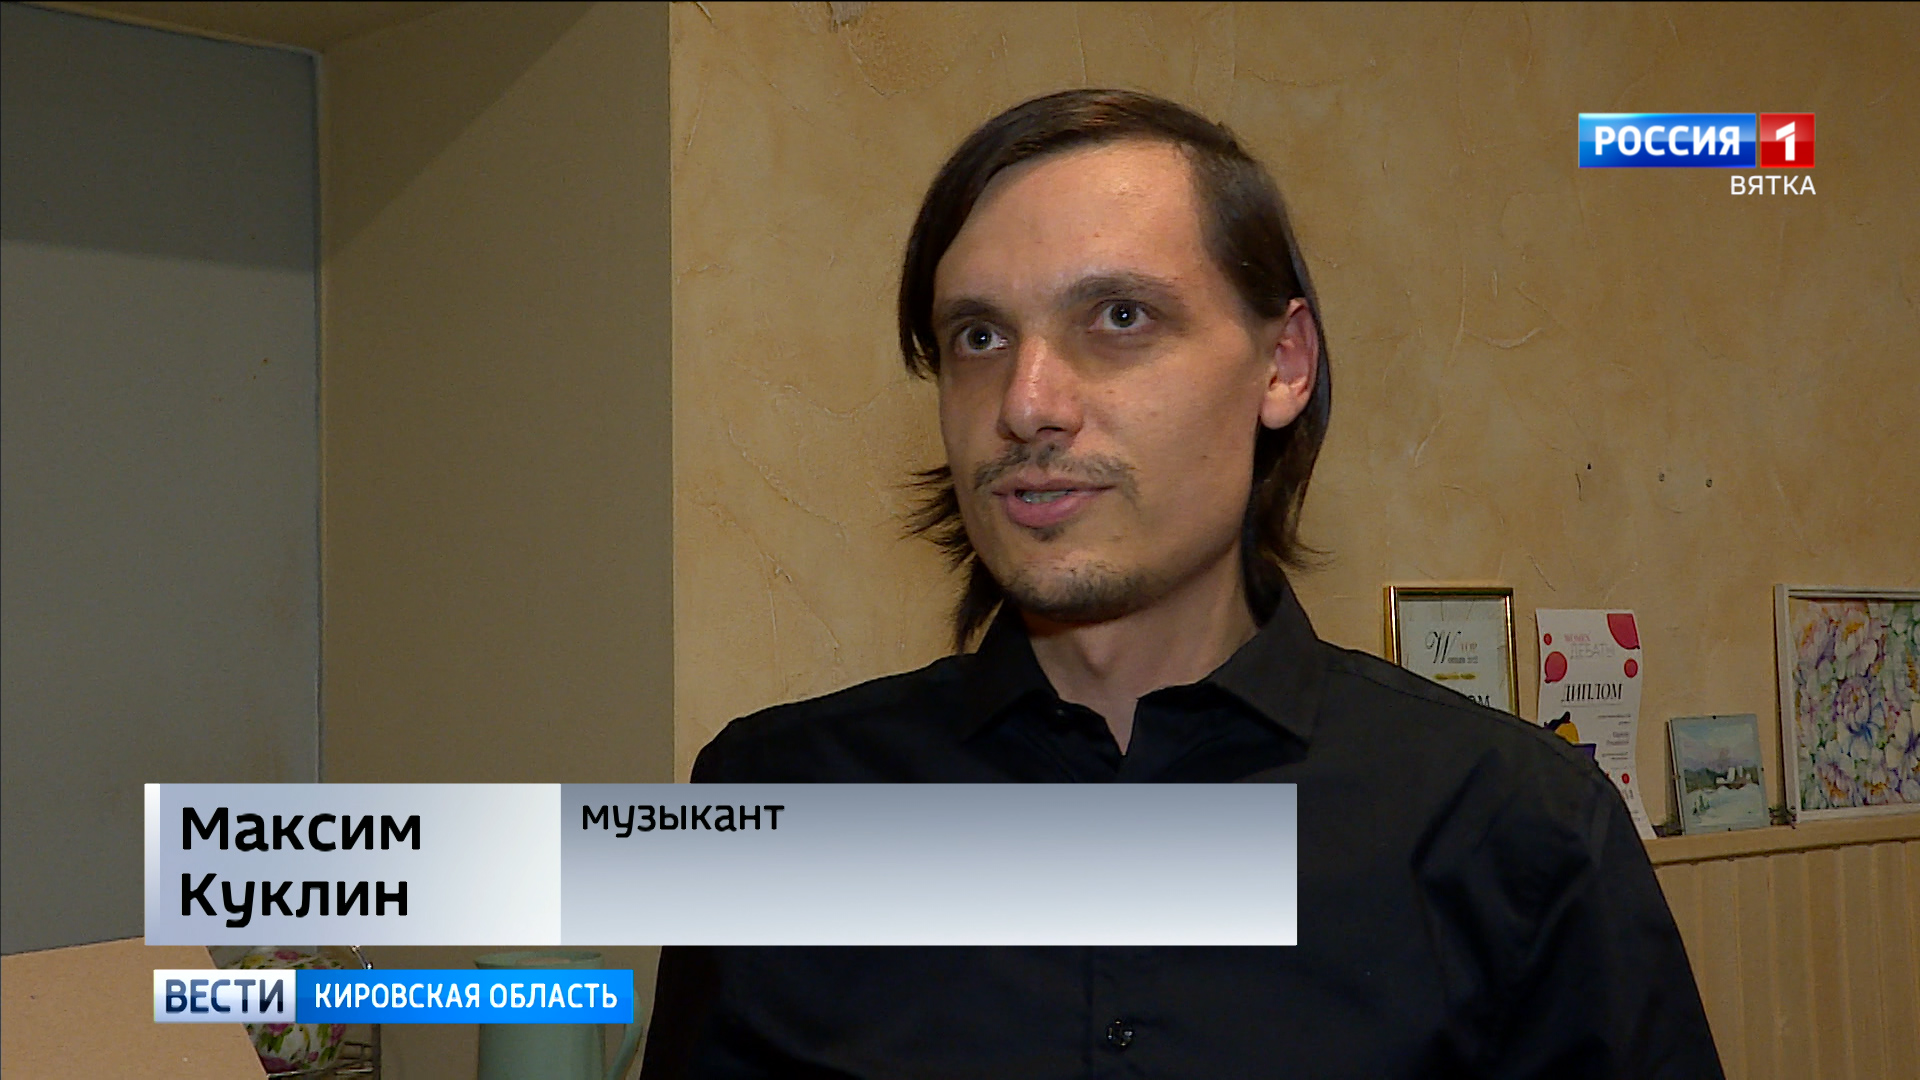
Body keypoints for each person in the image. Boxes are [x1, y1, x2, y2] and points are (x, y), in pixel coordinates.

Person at [640, 89, 1722, 1080]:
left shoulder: (1520, 828)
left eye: (1119, 317)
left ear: (1283, 364)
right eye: (979, 336)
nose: (1026, 402)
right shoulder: (772, 799)